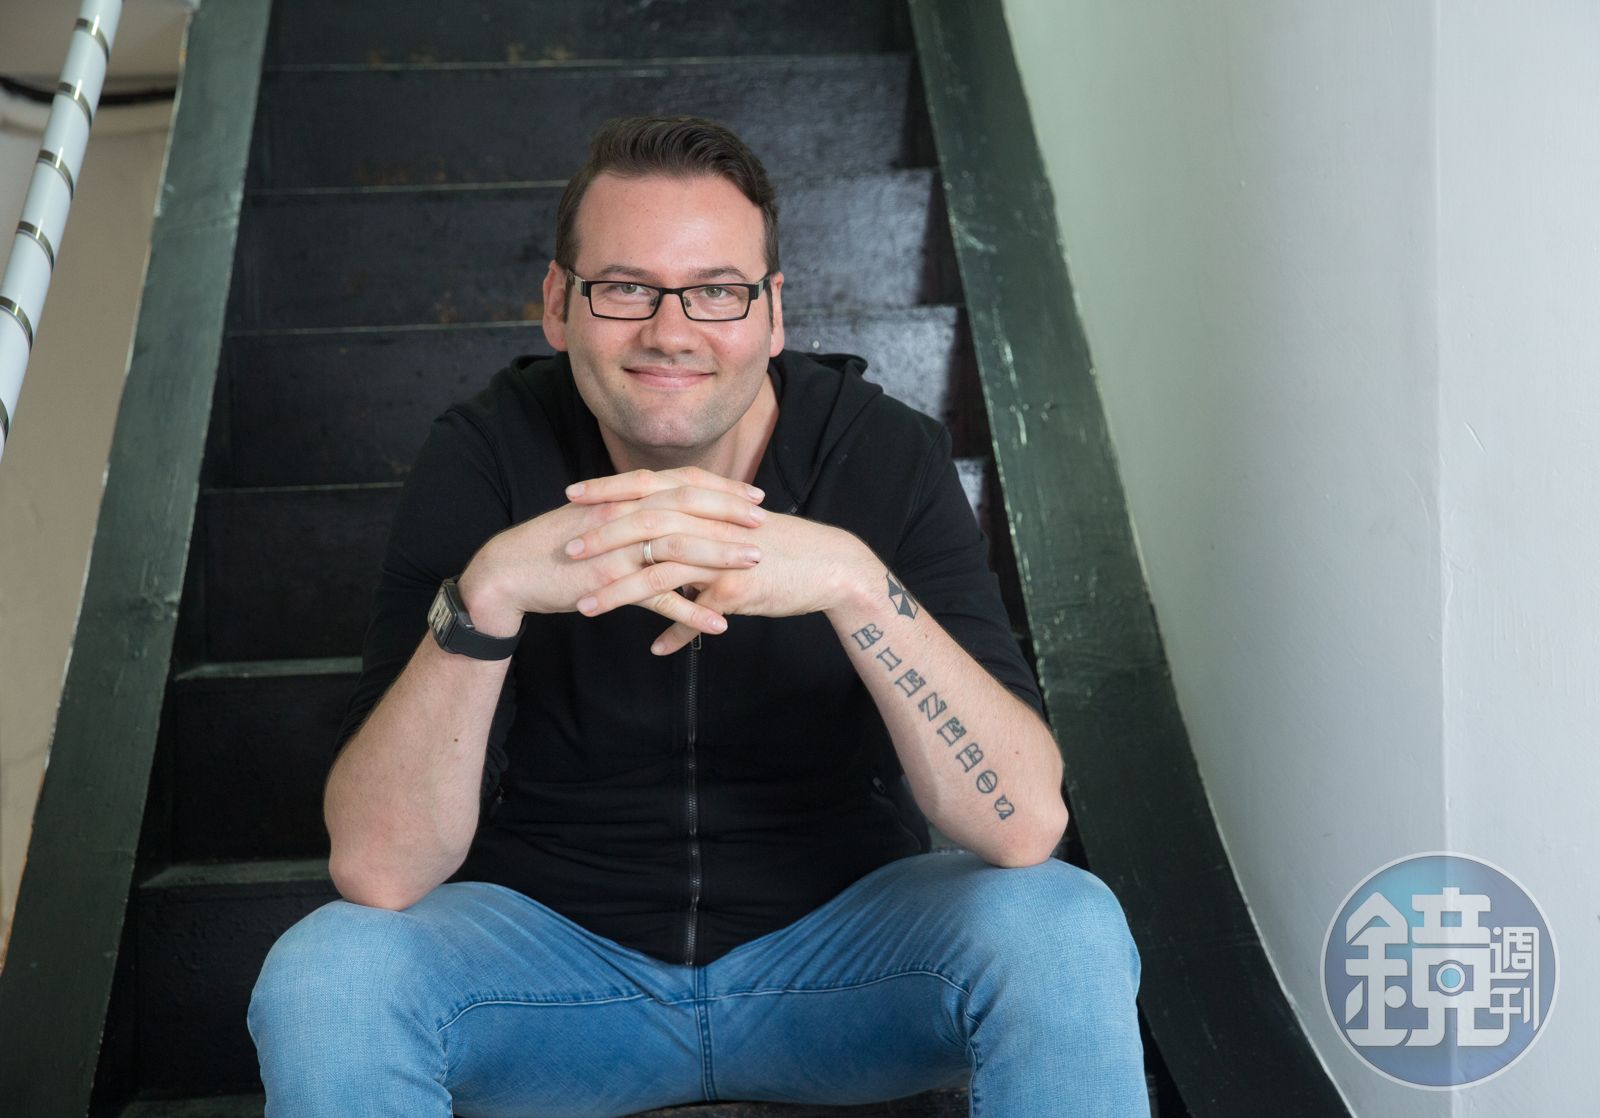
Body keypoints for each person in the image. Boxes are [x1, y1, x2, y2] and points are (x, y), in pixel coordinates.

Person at [248, 115, 1148, 1117]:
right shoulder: (484, 455)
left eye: (716, 290)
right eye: (624, 287)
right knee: (328, 972)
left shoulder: (882, 454)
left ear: (773, 312)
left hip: (841, 970)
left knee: (1064, 924)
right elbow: (377, 867)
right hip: (554, 981)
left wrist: (857, 584)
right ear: (557, 305)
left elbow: (1023, 824)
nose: (670, 332)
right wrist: (486, 593)